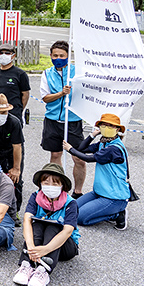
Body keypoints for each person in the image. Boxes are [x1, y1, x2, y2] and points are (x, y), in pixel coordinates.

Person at [13, 163, 80, 286]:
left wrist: (45, 249)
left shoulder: (71, 203)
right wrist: (31, 246)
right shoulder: (36, 196)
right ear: (40, 184)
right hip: (39, 244)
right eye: (46, 182)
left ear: (62, 186)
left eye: (55, 184)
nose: (50, 187)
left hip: (65, 246)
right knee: (36, 223)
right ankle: (27, 264)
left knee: (53, 226)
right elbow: (27, 220)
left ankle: (43, 270)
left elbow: (67, 231)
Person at [64, 114, 130, 229]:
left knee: (80, 218)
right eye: (103, 125)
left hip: (113, 198)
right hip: (99, 192)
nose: (106, 128)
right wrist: (92, 135)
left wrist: (70, 149)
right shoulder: (104, 142)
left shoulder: (114, 149)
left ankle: (117, 214)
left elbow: (88, 158)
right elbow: (82, 149)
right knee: (70, 209)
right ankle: (106, 211)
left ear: (117, 129)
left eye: (110, 126)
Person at [41, 40, 86, 197]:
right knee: (55, 155)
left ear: (68, 56)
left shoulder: (77, 72)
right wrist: (61, 93)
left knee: (78, 158)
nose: (58, 58)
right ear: (51, 56)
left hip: (72, 121)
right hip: (53, 121)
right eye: (55, 55)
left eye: (62, 55)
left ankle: (78, 192)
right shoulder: (47, 73)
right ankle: (55, 188)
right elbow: (45, 97)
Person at [0, 42, 30, 126]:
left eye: (7, 53)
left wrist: (19, 109)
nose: (4, 55)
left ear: (13, 56)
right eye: (1, 53)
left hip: (14, 112)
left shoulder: (20, 74)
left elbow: (25, 94)